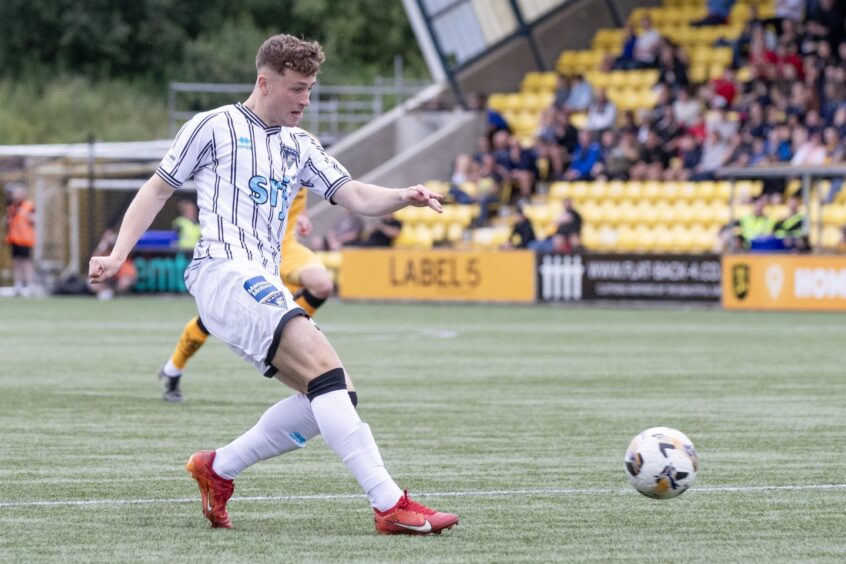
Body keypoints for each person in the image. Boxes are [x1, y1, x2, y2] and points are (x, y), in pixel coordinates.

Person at [88, 34, 458, 534]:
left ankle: (218, 468)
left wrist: (402, 195)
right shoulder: (213, 126)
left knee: (333, 396)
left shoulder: (300, 145)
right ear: (265, 82)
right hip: (222, 272)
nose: (305, 100)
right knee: (325, 371)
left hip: (261, 280)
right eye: (297, 89)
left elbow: (353, 194)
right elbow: (158, 188)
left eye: (310, 90)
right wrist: (117, 254)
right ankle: (390, 505)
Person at [158, 189, 334, 402]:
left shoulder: (302, 157)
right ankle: (172, 369)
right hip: (249, 251)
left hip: (286, 249)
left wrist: (302, 216)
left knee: (322, 284)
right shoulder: (250, 162)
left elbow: (299, 200)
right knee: (214, 317)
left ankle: (290, 331)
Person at [4, 183, 36, 296]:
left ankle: (30, 285)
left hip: (25, 239)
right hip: (14, 239)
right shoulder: (11, 206)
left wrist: (23, 213)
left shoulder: (28, 205)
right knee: (16, 263)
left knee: (26, 263)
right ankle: (18, 285)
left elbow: (34, 219)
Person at [87, 228, 138, 300]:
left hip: (119, 276)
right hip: (106, 278)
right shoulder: (103, 251)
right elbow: (94, 259)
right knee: (90, 282)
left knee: (126, 281)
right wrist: (104, 242)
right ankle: (107, 291)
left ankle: (116, 293)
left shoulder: (121, 250)